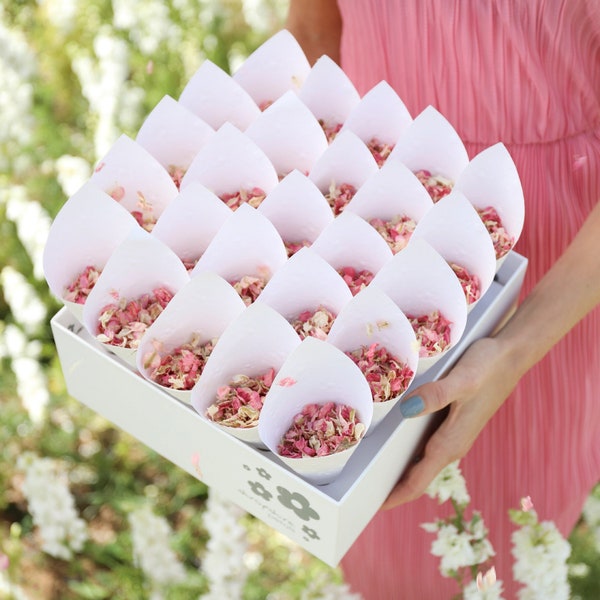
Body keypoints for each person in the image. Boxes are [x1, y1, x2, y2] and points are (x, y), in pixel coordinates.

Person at [286, 1, 600, 597]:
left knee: (504, 540)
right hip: (368, 214)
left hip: (553, 265)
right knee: (375, 520)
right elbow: (314, 28)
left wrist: (511, 348)